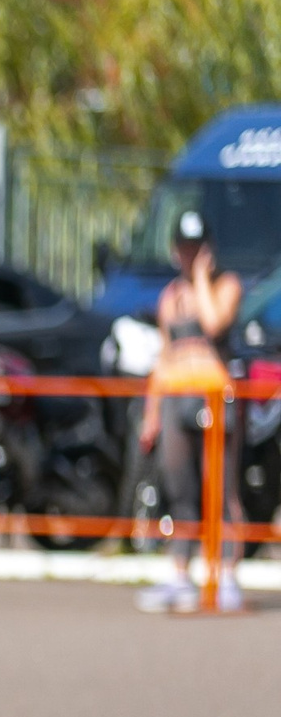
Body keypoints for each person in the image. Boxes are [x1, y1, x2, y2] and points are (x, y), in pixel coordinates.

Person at [138, 210, 244, 613]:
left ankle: (226, 575)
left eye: (197, 248)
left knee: (220, 487)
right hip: (176, 397)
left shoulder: (225, 286)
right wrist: (152, 412)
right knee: (179, 487)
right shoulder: (169, 297)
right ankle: (180, 574)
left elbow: (215, 324)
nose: (190, 254)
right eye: (185, 248)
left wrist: (200, 277)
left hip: (214, 396)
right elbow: (163, 357)